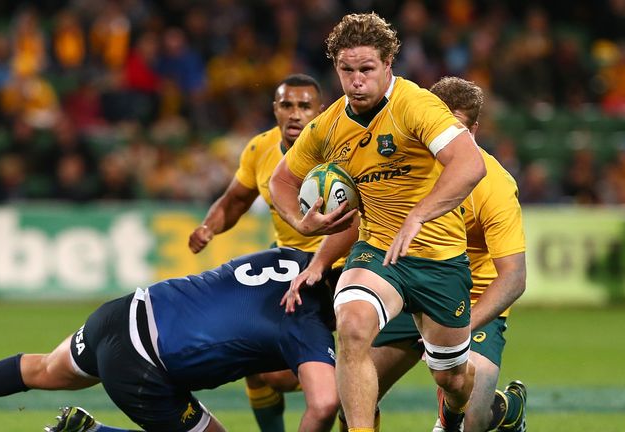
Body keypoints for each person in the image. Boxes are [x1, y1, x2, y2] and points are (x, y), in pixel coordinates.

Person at [269, 13, 486, 432]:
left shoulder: (417, 105)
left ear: (389, 64)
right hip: (378, 252)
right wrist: (301, 221)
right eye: (346, 70)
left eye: (366, 69)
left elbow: (469, 163)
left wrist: (420, 215)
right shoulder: (328, 125)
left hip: (440, 259)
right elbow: (282, 179)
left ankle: (452, 411)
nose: (356, 81)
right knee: (351, 326)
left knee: (452, 378)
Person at [0, 247, 339, 432]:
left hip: (122, 313)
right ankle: (92, 431)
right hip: (146, 369)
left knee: (45, 370)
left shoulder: (290, 258)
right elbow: (322, 404)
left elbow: (245, 330)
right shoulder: (306, 327)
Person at [364, 77, 527, 432]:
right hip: (409, 292)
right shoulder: (401, 168)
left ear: (475, 131)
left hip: (469, 302)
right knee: (355, 394)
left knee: (474, 419)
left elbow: (514, 277)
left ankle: (503, 410)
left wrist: (459, 331)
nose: (445, 139)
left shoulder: (494, 185)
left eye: (456, 129)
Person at [188, 73, 336, 432]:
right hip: (286, 265)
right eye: (287, 105)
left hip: (336, 266)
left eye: (305, 106)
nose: (295, 114)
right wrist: (209, 226)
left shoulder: (338, 147)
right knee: (254, 363)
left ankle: (345, 377)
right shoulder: (260, 149)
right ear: (275, 109)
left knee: (288, 376)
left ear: (321, 111)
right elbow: (234, 200)